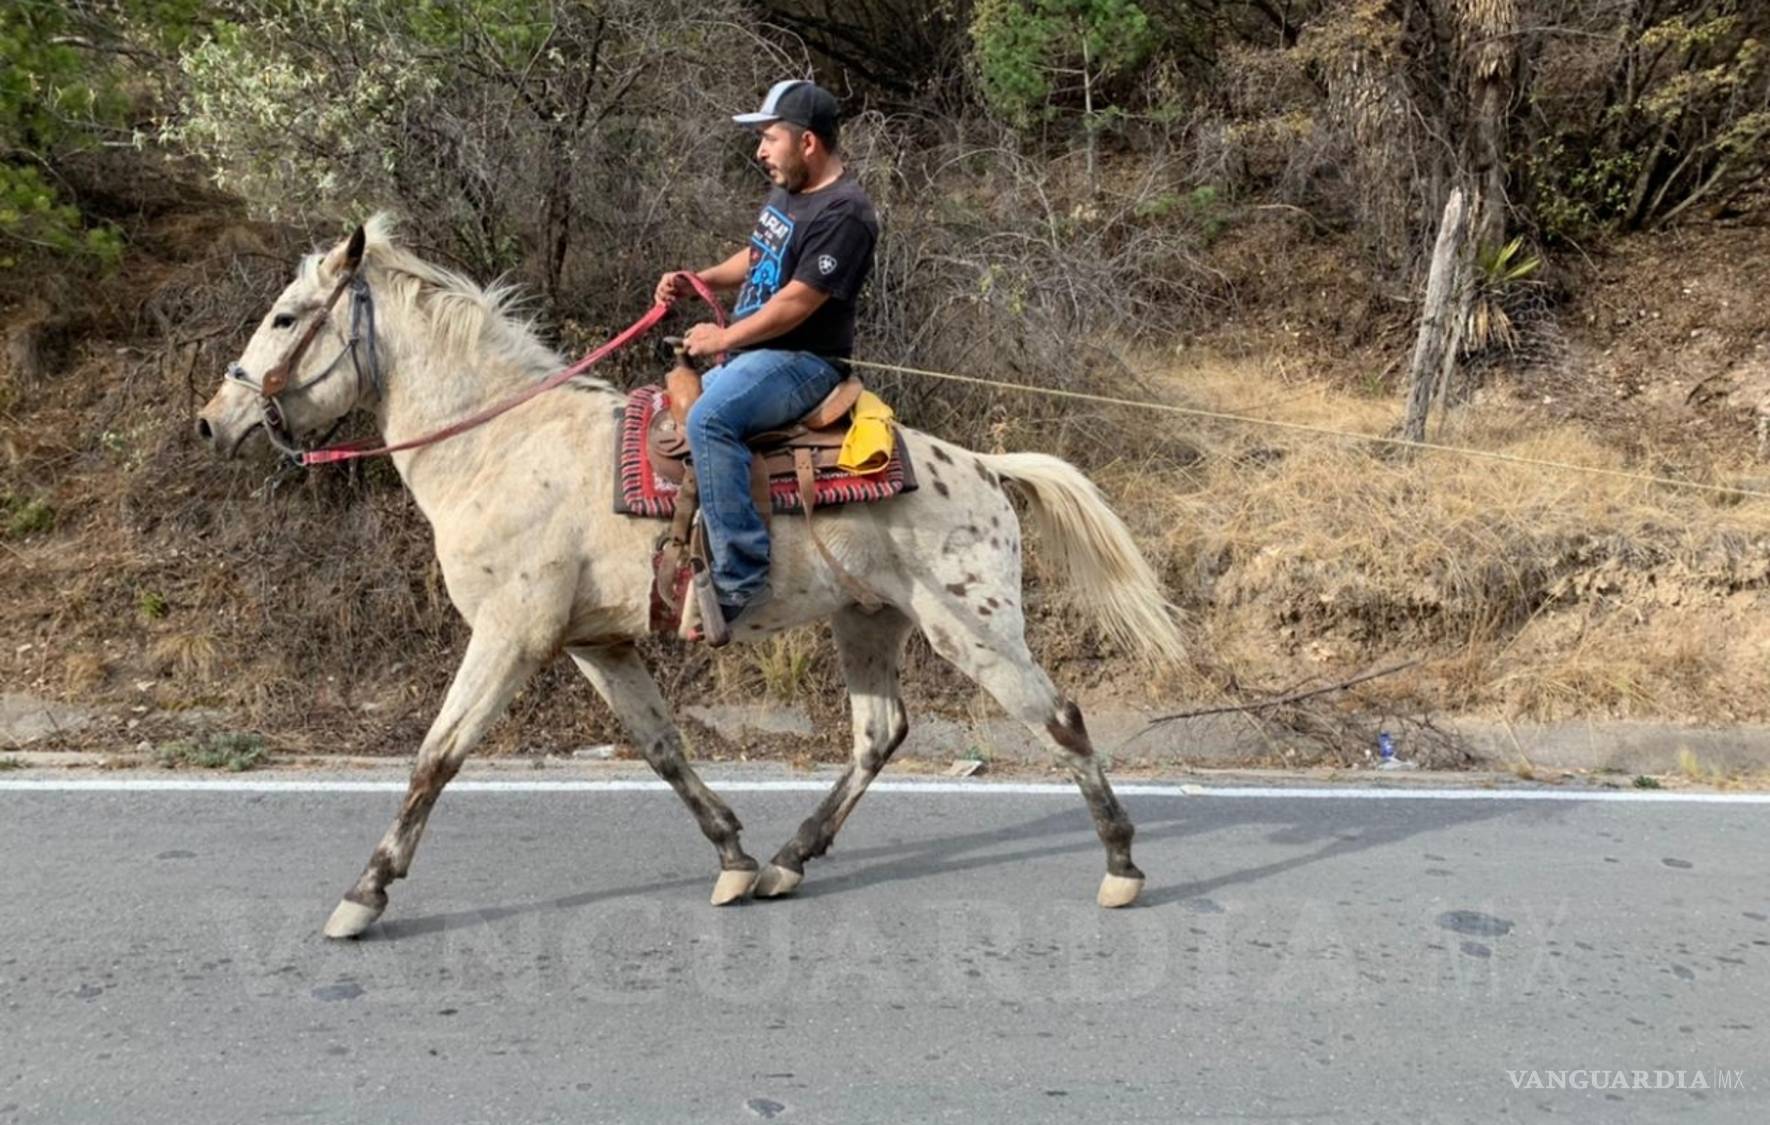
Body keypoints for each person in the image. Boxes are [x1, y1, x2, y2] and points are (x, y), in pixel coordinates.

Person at [654, 79, 879, 629]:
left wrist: (723, 339)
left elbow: (798, 303)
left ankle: (739, 577)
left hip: (803, 361)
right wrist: (699, 279)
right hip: (760, 351)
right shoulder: (790, 191)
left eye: (770, 138)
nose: (760, 151)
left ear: (807, 143)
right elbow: (760, 254)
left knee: (708, 419)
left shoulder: (846, 213)